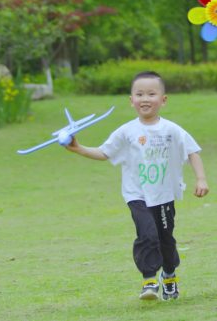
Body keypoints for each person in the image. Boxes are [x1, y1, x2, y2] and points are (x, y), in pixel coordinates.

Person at [66, 71, 209, 300]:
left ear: (163, 100)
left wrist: (201, 179)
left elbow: (193, 150)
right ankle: (149, 279)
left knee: (166, 239)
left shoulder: (172, 130)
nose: (145, 99)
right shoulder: (126, 131)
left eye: (151, 94)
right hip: (137, 194)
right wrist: (78, 147)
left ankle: (169, 276)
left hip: (163, 195)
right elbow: (104, 152)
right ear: (131, 100)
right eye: (139, 94)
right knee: (147, 234)